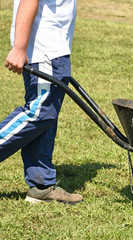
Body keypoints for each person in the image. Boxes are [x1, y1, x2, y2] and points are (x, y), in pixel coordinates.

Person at [1, 0, 83, 204]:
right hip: (46, 50)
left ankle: (42, 185)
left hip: (53, 49)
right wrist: (19, 47)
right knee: (38, 113)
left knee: (47, 116)